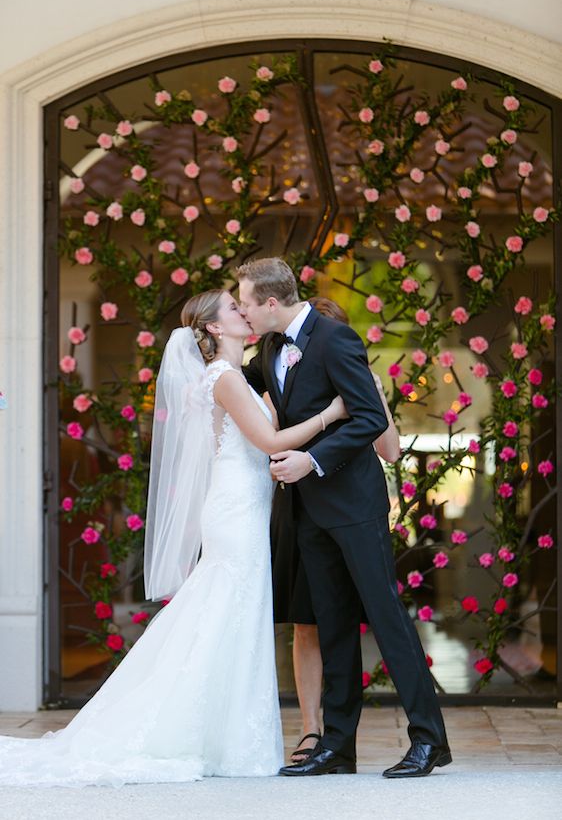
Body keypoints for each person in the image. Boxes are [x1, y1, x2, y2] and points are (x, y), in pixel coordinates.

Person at [0, 289, 348, 787]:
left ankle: (228, 739)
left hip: (247, 509)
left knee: (232, 620)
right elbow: (270, 443)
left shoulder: (239, 378)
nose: (243, 312)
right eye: (233, 308)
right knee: (225, 615)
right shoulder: (223, 379)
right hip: (233, 513)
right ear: (212, 328)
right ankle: (201, 735)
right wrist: (332, 415)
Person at [239, 258, 450, 778]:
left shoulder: (336, 340)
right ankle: (338, 746)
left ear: (270, 303)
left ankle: (429, 739)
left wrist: (311, 459)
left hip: (354, 506)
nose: (242, 310)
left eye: (244, 302)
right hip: (307, 509)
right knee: (332, 625)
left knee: (386, 619)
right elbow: (230, 380)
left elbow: (371, 419)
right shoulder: (268, 349)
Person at [268, 296, 400, 764]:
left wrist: (368, 394)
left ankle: (338, 740)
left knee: (347, 622)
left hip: (349, 510)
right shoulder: (278, 366)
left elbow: (392, 451)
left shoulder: (353, 372)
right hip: (302, 509)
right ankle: (311, 730)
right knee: (307, 621)